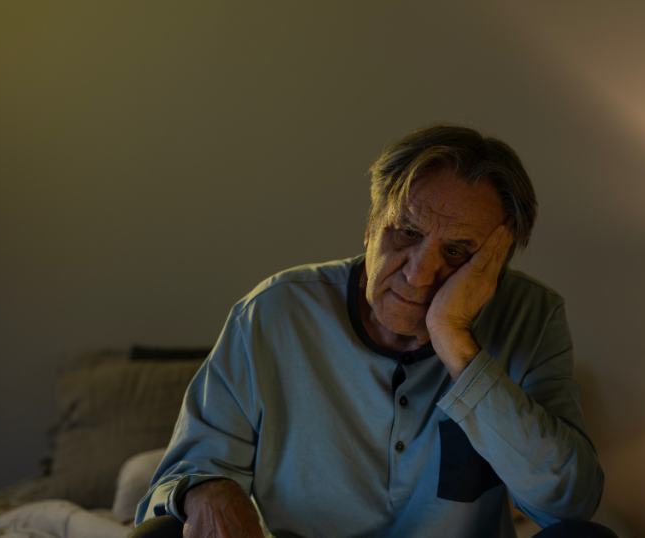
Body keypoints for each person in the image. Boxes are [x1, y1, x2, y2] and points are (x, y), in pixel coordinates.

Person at [132, 125, 613, 538]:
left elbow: (569, 505)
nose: (419, 274)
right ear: (369, 226)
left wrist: (457, 344)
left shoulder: (532, 315)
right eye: (404, 231)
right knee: (164, 532)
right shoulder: (273, 312)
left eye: (458, 253)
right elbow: (177, 478)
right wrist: (206, 487)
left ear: (494, 267)